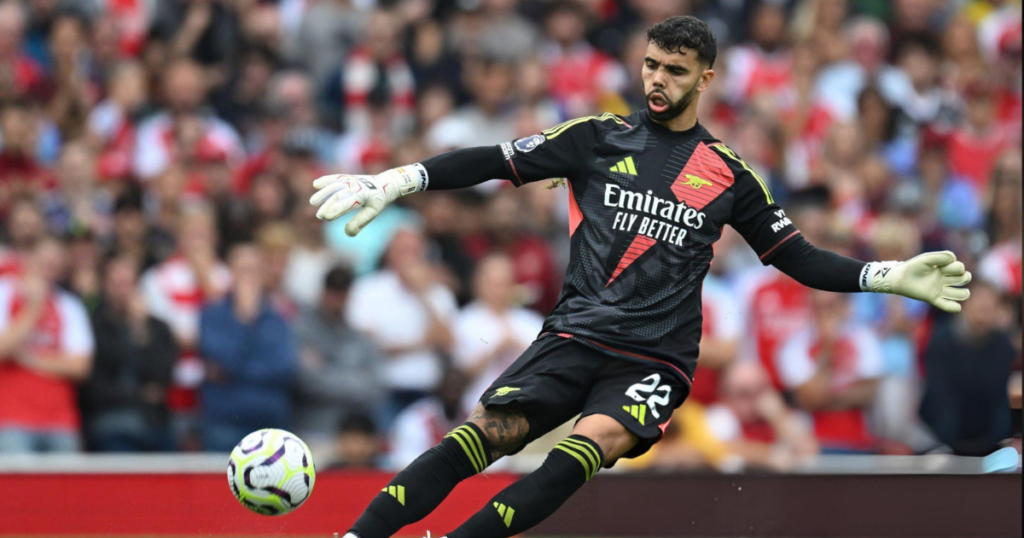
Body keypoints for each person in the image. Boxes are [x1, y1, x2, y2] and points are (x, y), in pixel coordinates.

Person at [310, 16, 973, 538]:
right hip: (575, 335)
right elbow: (495, 160)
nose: (657, 79)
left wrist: (889, 275)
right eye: (651, 65)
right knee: (487, 435)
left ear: (705, 79)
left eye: (675, 71)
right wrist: (398, 179)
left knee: (590, 442)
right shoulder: (596, 137)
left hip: (656, 356)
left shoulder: (729, 173)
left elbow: (796, 256)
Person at [198, 243, 297, 452]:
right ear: (231, 273)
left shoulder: (278, 317)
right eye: (243, 270)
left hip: (270, 424)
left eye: (253, 271)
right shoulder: (212, 315)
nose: (248, 278)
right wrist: (245, 320)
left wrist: (234, 374)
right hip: (225, 421)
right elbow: (224, 359)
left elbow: (284, 367)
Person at [0, 236, 93, 453]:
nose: (49, 268)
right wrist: (32, 309)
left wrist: (25, 357)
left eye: (54, 263)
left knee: (65, 487)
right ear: (28, 259)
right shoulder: (4, 294)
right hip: (11, 420)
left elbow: (80, 366)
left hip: (61, 422)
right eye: (44, 261)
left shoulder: (70, 305)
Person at [79, 256, 177, 452]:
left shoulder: (157, 328)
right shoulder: (92, 326)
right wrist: (140, 394)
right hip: (110, 421)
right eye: (117, 284)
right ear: (104, 286)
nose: (123, 292)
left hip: (154, 422)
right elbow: (94, 388)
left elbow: (162, 377)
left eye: (128, 284)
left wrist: (140, 330)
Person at [776, 291, 885, 453]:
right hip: (814, 443)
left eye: (831, 306)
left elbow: (868, 394)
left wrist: (825, 395)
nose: (825, 313)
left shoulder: (864, 338)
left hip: (861, 440)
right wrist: (827, 350)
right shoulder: (794, 346)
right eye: (818, 307)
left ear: (845, 306)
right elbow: (810, 400)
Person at [293, 264, 382, 453]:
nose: (337, 298)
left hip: (353, 439)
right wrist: (354, 379)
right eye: (333, 290)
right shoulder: (301, 331)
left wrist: (326, 372)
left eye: (343, 291)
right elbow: (306, 382)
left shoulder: (360, 337)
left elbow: (375, 388)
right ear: (323, 291)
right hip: (313, 433)